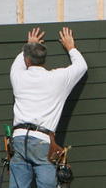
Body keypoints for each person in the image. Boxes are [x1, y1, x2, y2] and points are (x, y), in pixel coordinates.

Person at [9, 26, 88, 188]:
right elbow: (81, 66)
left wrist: (30, 45)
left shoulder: (17, 76)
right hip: (41, 140)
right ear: (44, 60)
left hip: (18, 139)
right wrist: (71, 48)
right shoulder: (57, 78)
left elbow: (19, 62)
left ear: (27, 60)